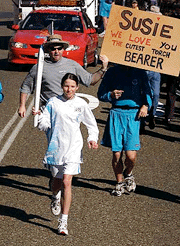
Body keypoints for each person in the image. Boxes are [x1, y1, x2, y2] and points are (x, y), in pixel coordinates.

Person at [32, 73, 99, 235]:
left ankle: (63, 222)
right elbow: (45, 124)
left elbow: (91, 124)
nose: (69, 89)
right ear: (62, 86)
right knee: (57, 181)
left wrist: (92, 138)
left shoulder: (80, 104)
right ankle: (55, 196)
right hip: (56, 148)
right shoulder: (53, 103)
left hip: (74, 148)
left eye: (72, 86)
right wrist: (40, 118)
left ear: (77, 87)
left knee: (67, 182)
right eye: (66, 86)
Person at [18, 34, 108, 118]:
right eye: (53, 49)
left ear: (63, 49)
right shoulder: (39, 67)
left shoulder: (72, 64)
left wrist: (103, 69)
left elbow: (90, 80)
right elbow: (26, 87)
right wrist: (22, 106)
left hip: (68, 110)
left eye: (59, 48)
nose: (56, 52)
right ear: (48, 50)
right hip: (48, 111)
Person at [97, 64, 152, 196]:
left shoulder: (140, 72)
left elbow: (148, 92)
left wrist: (145, 105)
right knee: (116, 154)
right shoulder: (112, 72)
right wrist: (110, 95)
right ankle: (119, 182)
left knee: (131, 156)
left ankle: (128, 173)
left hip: (133, 115)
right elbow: (101, 94)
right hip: (116, 113)